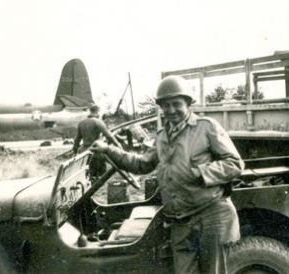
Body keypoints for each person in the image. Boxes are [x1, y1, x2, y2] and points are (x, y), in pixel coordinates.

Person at [90, 75, 244, 274]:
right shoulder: (162, 136)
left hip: (211, 216)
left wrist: (199, 173)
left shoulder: (207, 127)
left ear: (188, 104)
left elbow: (234, 163)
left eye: (176, 104)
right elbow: (142, 164)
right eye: (166, 105)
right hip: (179, 221)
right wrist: (108, 149)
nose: (171, 110)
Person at [73, 104, 120, 178]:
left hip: (85, 153)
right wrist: (118, 145)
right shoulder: (98, 122)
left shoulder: (81, 123)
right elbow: (109, 136)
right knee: (101, 175)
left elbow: (77, 140)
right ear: (98, 112)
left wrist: (75, 151)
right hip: (97, 152)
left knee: (89, 174)